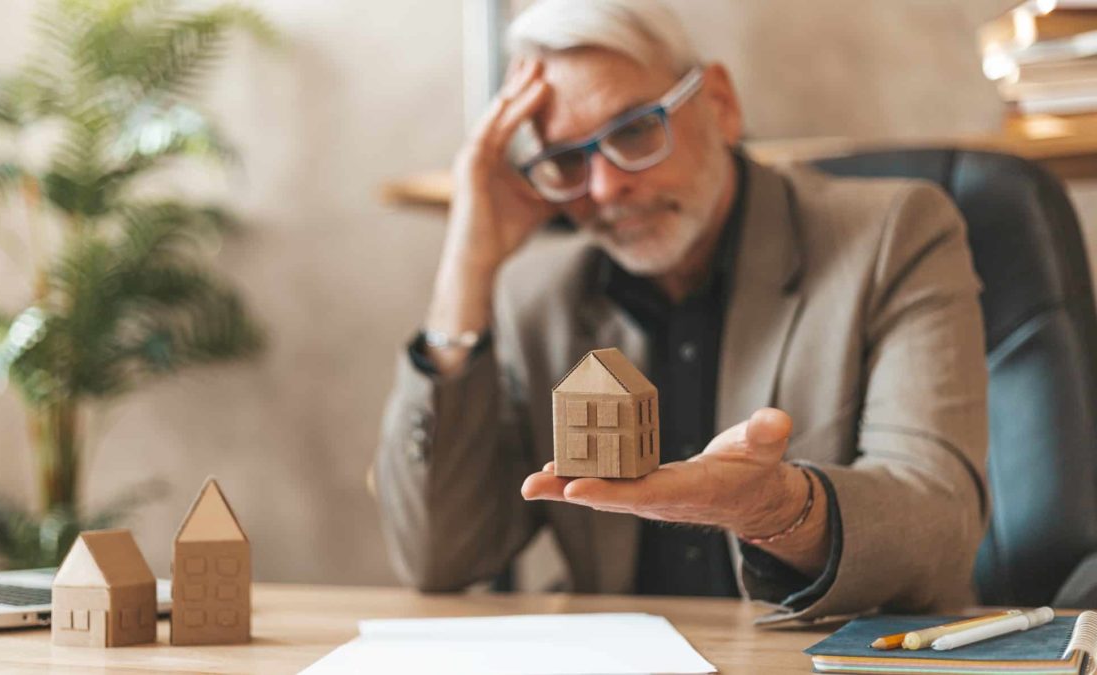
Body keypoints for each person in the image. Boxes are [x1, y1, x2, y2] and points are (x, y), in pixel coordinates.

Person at [374, 0, 988, 623]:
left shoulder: (894, 234)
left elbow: (938, 527)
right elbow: (439, 556)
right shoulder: (538, 294)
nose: (606, 188)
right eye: (567, 159)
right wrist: (465, 268)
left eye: (636, 130)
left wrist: (776, 511)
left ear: (719, 103)